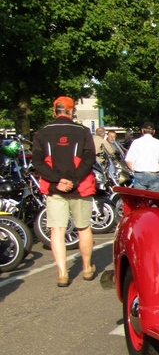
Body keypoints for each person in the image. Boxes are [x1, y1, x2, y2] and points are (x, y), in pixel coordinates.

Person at [31, 96, 97, 287]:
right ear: (72, 111)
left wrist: (57, 180)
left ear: (55, 111)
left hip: (55, 188)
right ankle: (87, 268)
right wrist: (74, 180)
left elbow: (37, 162)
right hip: (80, 187)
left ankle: (62, 273)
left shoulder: (42, 132)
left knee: (57, 230)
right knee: (83, 227)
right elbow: (89, 159)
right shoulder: (83, 131)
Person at [125, 122, 159, 191]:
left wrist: (134, 169)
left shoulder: (136, 142)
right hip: (154, 174)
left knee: (140, 197)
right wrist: (158, 171)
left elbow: (128, 159)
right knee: (154, 197)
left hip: (139, 174)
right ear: (154, 132)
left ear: (142, 130)